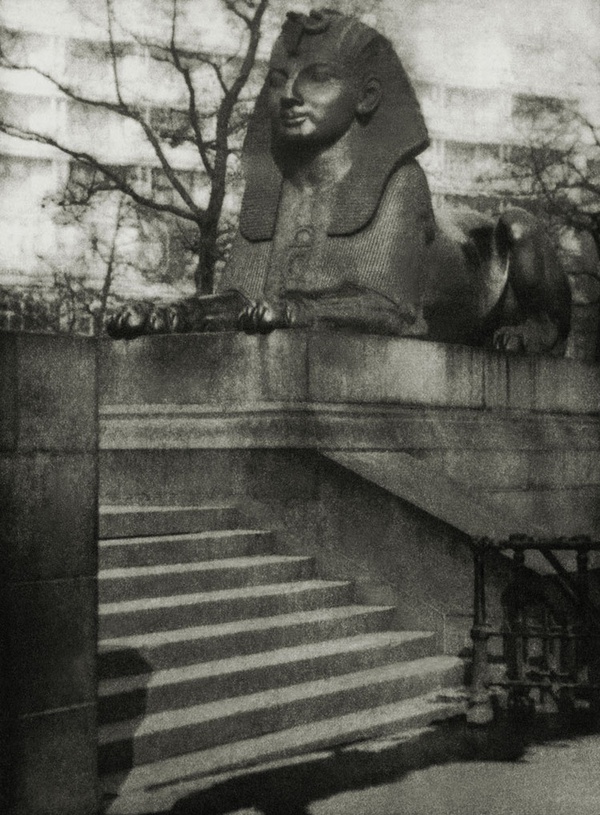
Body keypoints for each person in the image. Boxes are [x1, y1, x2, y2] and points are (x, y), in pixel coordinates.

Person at [107, 8, 571, 354]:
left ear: (366, 97)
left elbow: (395, 312)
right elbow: (245, 300)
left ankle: (543, 325)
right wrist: (181, 314)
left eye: (318, 78)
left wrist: (302, 310)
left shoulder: (400, 183)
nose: (289, 95)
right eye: (278, 80)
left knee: (518, 228)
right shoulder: (274, 188)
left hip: (492, 288)